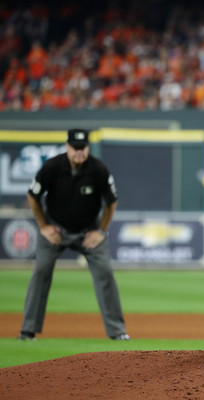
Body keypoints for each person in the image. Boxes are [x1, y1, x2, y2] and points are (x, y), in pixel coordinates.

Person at [18, 128, 130, 341]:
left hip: (88, 231)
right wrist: (43, 226)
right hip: (56, 230)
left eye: (83, 148)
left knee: (105, 271)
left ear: (88, 148)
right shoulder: (52, 167)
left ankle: (117, 332)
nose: (79, 152)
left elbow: (111, 202)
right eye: (75, 148)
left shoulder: (98, 169)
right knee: (41, 271)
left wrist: (100, 231)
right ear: (68, 147)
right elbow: (33, 195)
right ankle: (27, 331)